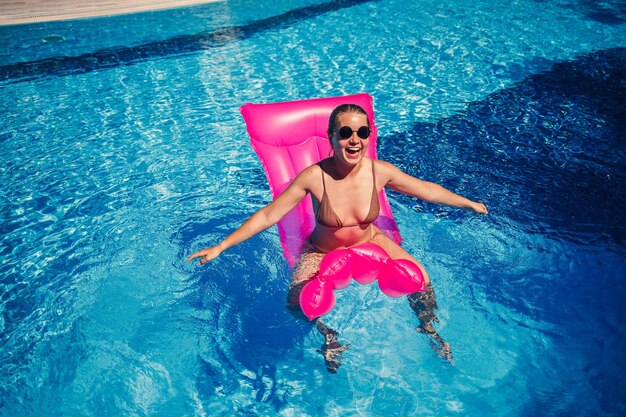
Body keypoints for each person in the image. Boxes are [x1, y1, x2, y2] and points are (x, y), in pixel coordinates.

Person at [187, 104, 487, 372]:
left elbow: (427, 190)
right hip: (322, 250)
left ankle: (427, 328)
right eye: (345, 132)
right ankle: (329, 335)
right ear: (331, 137)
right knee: (294, 302)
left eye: (362, 131)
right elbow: (269, 215)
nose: (354, 139)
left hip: (372, 241)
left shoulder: (378, 171)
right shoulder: (314, 176)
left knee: (421, 279)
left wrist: (469, 203)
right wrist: (221, 246)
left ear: (369, 135)